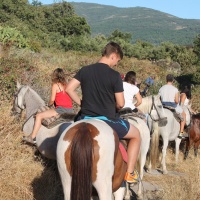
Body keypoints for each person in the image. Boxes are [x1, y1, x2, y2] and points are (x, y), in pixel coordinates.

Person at [66, 42, 141, 184]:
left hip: (84, 117)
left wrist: (81, 103)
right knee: (136, 135)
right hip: (107, 120)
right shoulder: (114, 75)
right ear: (113, 56)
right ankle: (130, 173)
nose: (116, 64)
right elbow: (120, 103)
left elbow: (69, 88)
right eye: (117, 61)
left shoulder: (85, 70)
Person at [23, 68, 74, 144]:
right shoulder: (67, 85)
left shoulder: (55, 85)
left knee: (39, 116)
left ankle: (32, 137)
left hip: (61, 109)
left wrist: (49, 104)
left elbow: (52, 100)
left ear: (54, 76)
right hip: (70, 110)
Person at [159, 74, 187, 139]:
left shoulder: (161, 88)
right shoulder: (175, 89)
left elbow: (159, 98)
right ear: (173, 80)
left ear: (166, 80)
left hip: (163, 105)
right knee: (184, 115)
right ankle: (181, 132)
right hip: (172, 105)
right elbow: (177, 101)